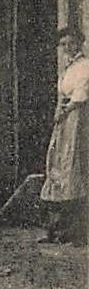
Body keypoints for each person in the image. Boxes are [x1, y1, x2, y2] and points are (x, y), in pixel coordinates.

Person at [40, 27, 89, 244]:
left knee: (74, 165)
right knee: (59, 164)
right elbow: (62, 93)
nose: (68, 47)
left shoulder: (84, 66)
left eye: (71, 43)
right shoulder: (67, 68)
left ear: (80, 43)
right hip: (65, 119)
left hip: (77, 119)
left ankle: (77, 229)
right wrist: (59, 111)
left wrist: (65, 110)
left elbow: (80, 94)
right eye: (64, 44)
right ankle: (59, 228)